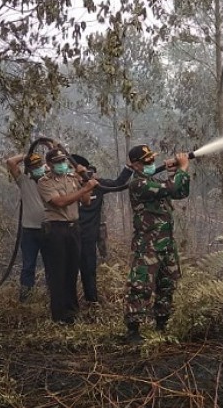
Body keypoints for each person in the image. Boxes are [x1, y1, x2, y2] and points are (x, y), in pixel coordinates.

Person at [125, 144, 191, 344]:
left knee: (167, 285)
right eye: (146, 162)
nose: (151, 164)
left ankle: (162, 325)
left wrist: (179, 172)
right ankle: (133, 331)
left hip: (166, 244)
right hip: (148, 246)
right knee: (141, 287)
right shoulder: (138, 184)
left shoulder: (152, 180)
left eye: (152, 160)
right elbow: (171, 187)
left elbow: (180, 192)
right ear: (135, 165)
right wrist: (181, 169)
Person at [37, 147, 98, 324]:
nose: (62, 165)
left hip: (73, 229)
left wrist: (85, 182)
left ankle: (72, 312)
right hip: (56, 229)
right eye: (57, 163)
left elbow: (85, 202)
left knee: (72, 271)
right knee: (58, 272)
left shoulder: (72, 178)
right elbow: (60, 202)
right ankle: (59, 315)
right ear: (49, 165)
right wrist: (84, 188)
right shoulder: (44, 182)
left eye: (63, 161)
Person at [71, 154, 133, 303]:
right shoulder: (66, 185)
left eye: (83, 172)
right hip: (69, 234)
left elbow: (118, 183)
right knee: (68, 271)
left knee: (89, 270)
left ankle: (92, 302)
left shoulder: (96, 185)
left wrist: (129, 167)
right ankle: (69, 305)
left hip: (88, 236)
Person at [6, 150, 47, 302]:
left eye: (39, 165)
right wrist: (26, 155)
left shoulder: (49, 179)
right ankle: (26, 298)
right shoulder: (24, 180)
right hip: (29, 230)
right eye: (33, 165)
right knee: (28, 265)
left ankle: (52, 296)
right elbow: (10, 162)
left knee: (50, 264)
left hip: (47, 229)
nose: (37, 168)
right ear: (29, 168)